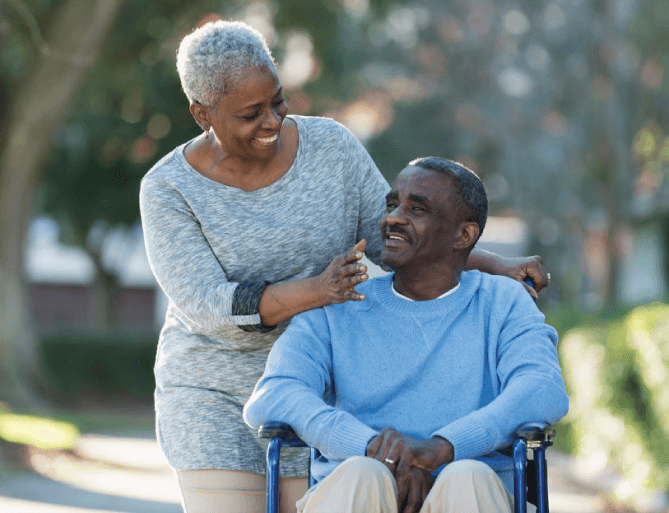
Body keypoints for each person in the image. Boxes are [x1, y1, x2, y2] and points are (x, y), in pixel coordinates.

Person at [139, 19, 550, 513]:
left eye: (277, 99)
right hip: (219, 391)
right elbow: (207, 304)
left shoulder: (330, 147)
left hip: (335, 384)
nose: (272, 120)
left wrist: (492, 265)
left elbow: (397, 233)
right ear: (201, 112)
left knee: (361, 484)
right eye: (251, 113)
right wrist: (319, 290)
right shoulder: (168, 189)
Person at [244, 157, 569, 513]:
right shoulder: (339, 303)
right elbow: (274, 394)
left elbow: (542, 388)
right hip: (360, 492)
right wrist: (373, 450)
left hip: (471, 493)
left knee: (467, 477)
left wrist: (443, 448)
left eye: (417, 209)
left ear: (464, 235)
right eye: (391, 205)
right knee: (361, 474)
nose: (392, 218)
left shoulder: (504, 302)